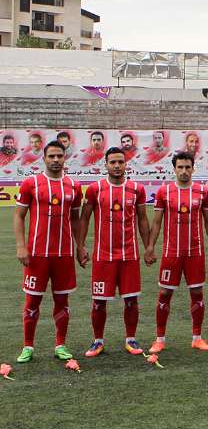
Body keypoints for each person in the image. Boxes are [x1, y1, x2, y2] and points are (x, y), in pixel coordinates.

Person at [76, 147, 151, 357]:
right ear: (106, 164)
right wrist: (81, 246)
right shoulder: (94, 189)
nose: (117, 166)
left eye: (120, 162)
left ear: (126, 164)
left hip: (129, 256)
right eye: (113, 162)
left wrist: (148, 247)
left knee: (131, 299)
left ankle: (131, 339)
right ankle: (97, 341)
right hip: (103, 257)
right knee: (99, 301)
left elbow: (143, 220)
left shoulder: (137, 189)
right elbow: (84, 218)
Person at [13, 141, 82, 364]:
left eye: (59, 156)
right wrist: (21, 246)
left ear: (65, 158)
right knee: (32, 301)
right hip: (37, 255)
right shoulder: (31, 183)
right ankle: (28, 347)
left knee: (62, 300)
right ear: (43, 158)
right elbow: (19, 216)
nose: (55, 160)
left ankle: (60, 345)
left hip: (63, 255)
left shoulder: (73, 186)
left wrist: (80, 247)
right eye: (51, 156)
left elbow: (75, 219)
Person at [146, 151, 208, 353]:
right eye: (180, 167)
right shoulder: (164, 192)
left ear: (193, 168)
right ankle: (160, 339)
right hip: (171, 253)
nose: (184, 171)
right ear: (174, 169)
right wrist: (151, 247)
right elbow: (156, 222)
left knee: (197, 293)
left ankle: (197, 337)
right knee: (164, 293)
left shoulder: (203, 192)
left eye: (188, 167)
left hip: (195, 253)